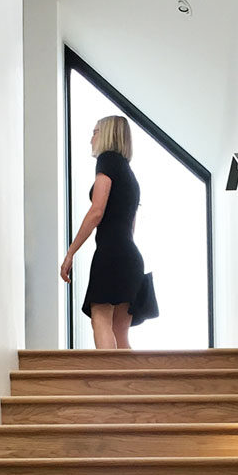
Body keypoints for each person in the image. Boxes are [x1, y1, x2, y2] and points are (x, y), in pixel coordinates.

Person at [60, 114, 147, 350]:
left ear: (107, 135)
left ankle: (108, 387)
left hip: (111, 254)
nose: (91, 139)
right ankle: (131, 386)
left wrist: (70, 253)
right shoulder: (130, 176)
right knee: (120, 333)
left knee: (100, 320)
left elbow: (97, 211)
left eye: (95, 132)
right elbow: (131, 226)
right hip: (130, 257)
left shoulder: (107, 161)